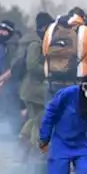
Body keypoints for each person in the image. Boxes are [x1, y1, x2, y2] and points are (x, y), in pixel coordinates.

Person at [15, 12, 55, 147]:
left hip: (33, 91)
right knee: (40, 122)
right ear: (44, 27)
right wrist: (48, 71)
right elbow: (31, 65)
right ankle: (36, 153)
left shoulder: (40, 42)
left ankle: (23, 140)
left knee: (35, 119)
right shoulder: (36, 44)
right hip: (33, 91)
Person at [42, 9, 87, 93]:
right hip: (77, 79)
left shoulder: (51, 29)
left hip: (52, 78)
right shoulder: (85, 31)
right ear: (82, 18)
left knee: (54, 105)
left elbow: (45, 51)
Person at [0, 20, 22, 127]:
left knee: (8, 122)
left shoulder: (13, 48)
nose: (1, 33)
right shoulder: (0, 48)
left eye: (4, 31)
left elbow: (12, 70)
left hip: (8, 91)